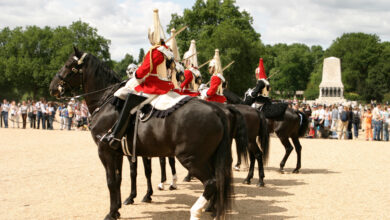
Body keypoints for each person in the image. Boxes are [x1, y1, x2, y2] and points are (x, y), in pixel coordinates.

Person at [103, 9, 179, 149]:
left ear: (152, 36)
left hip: (154, 86)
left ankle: (116, 136)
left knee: (128, 101)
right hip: (166, 85)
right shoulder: (168, 52)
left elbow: (141, 73)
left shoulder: (155, 51)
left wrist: (137, 72)